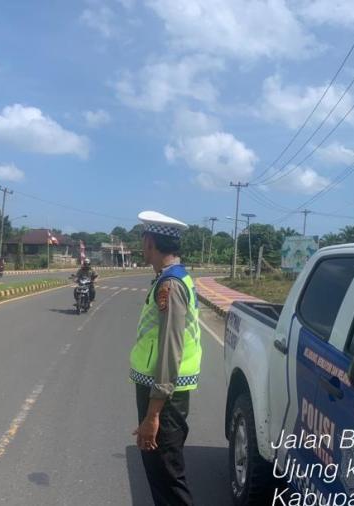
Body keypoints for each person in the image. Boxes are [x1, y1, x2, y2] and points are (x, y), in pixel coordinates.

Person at [130, 210, 202, 506]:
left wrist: (153, 414)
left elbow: (171, 349)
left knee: (168, 479)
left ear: (150, 242)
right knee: (161, 476)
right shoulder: (172, 277)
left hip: (164, 396)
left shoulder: (170, 285)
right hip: (164, 392)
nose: (142, 245)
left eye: (143, 239)